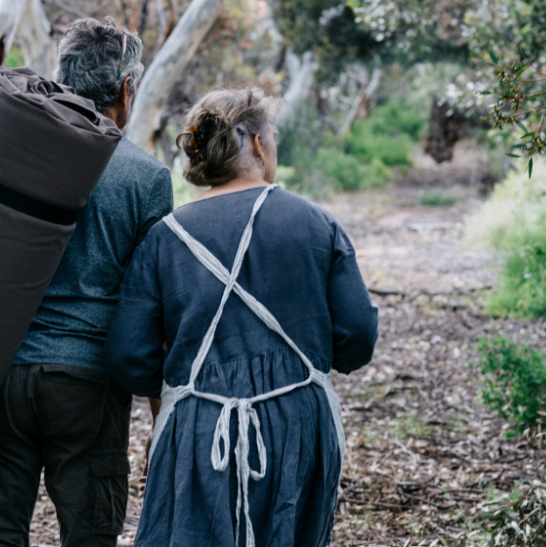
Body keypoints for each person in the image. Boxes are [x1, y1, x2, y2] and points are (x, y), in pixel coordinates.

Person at [106, 89, 381, 547]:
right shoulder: (316, 224)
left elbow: (129, 356)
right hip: (298, 420)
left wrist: (187, 384)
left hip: (199, 424)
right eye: (271, 136)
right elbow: (357, 336)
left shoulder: (165, 239)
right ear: (256, 144)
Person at [0, 19, 172, 547]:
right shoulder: (145, 178)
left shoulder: (6, 149)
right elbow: (155, 303)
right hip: (88, 382)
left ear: (59, 79)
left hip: (1, 376)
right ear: (125, 89)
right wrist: (160, 416)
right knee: (91, 534)